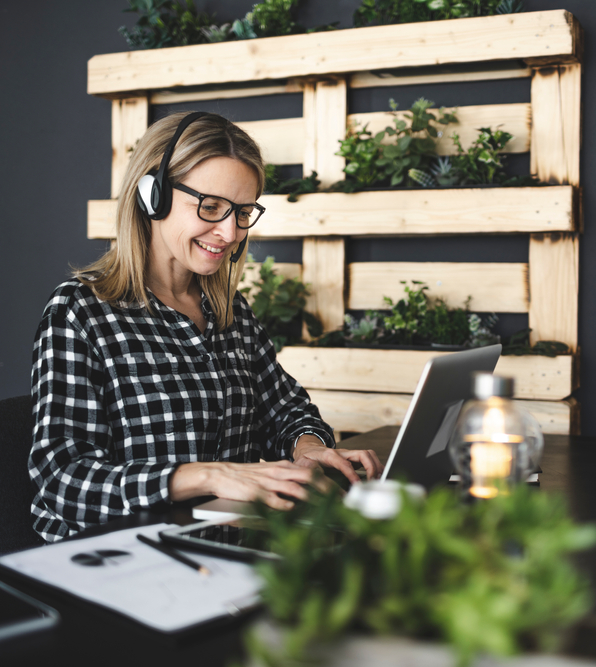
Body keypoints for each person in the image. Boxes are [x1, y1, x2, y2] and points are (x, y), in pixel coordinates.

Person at [29, 111, 381, 542]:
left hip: (225, 551)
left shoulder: (230, 313)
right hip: (123, 556)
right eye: (211, 207)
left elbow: (286, 408)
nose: (230, 232)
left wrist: (307, 447)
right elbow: (64, 480)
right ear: (151, 195)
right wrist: (209, 476)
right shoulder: (82, 312)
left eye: (243, 211)